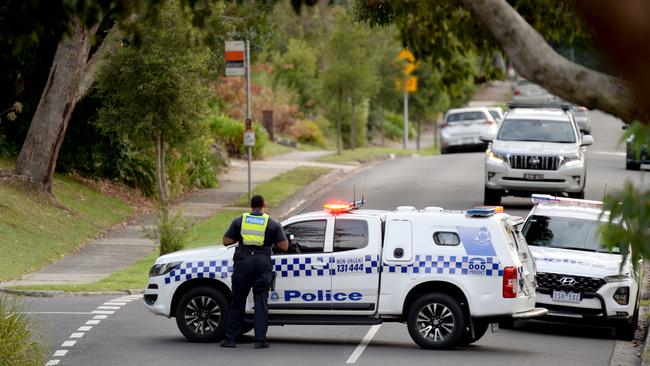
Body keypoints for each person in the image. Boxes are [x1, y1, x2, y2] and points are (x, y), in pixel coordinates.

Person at [220, 195, 288, 349]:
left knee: (237, 301)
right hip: (262, 264)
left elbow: (226, 241)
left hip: (243, 263)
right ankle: (260, 341)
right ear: (264, 205)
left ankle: (230, 340)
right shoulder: (272, 223)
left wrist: (240, 237)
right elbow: (284, 246)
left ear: (251, 206)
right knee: (260, 302)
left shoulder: (239, 221)